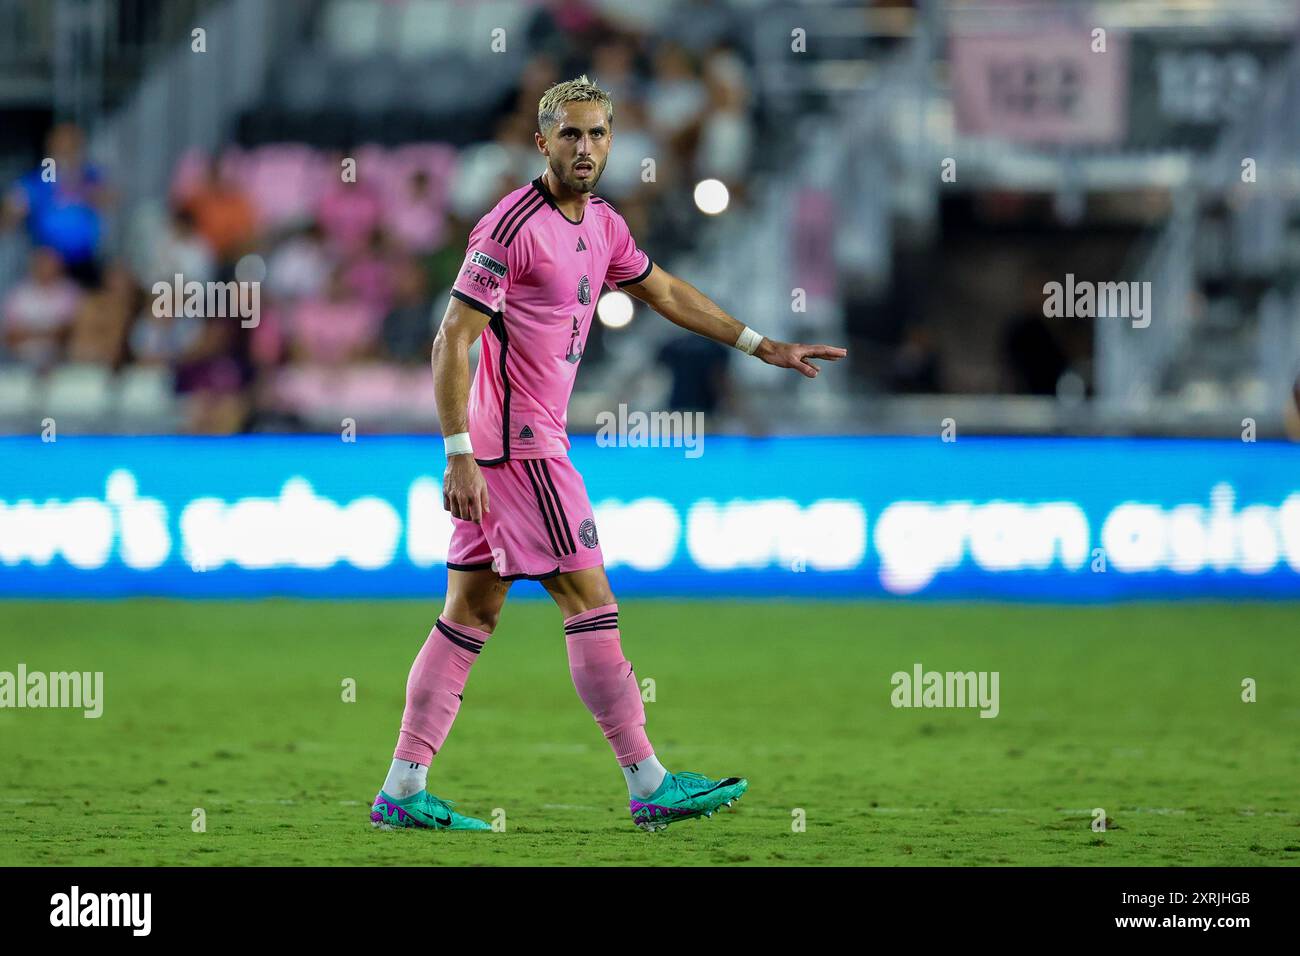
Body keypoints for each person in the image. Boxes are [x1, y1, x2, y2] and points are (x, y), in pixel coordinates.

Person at [371, 75, 846, 833]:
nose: (584, 147)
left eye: (597, 134)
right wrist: (457, 452)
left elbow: (665, 292)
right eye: (570, 135)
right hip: (519, 447)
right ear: (542, 142)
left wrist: (763, 345)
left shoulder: (604, 225)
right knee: (590, 602)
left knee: (470, 611)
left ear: (613, 141)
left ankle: (402, 786)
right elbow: (450, 338)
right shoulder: (509, 226)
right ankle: (649, 782)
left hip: (514, 444)